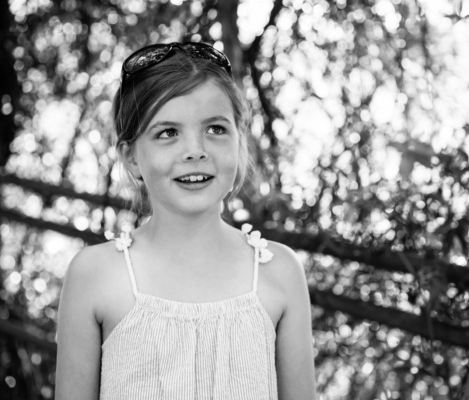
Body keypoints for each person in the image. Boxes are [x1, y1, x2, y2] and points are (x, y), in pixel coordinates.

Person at [55, 42, 316, 399]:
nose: (195, 150)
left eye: (215, 129)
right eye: (168, 133)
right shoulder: (94, 275)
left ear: (240, 142)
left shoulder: (280, 271)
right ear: (131, 158)